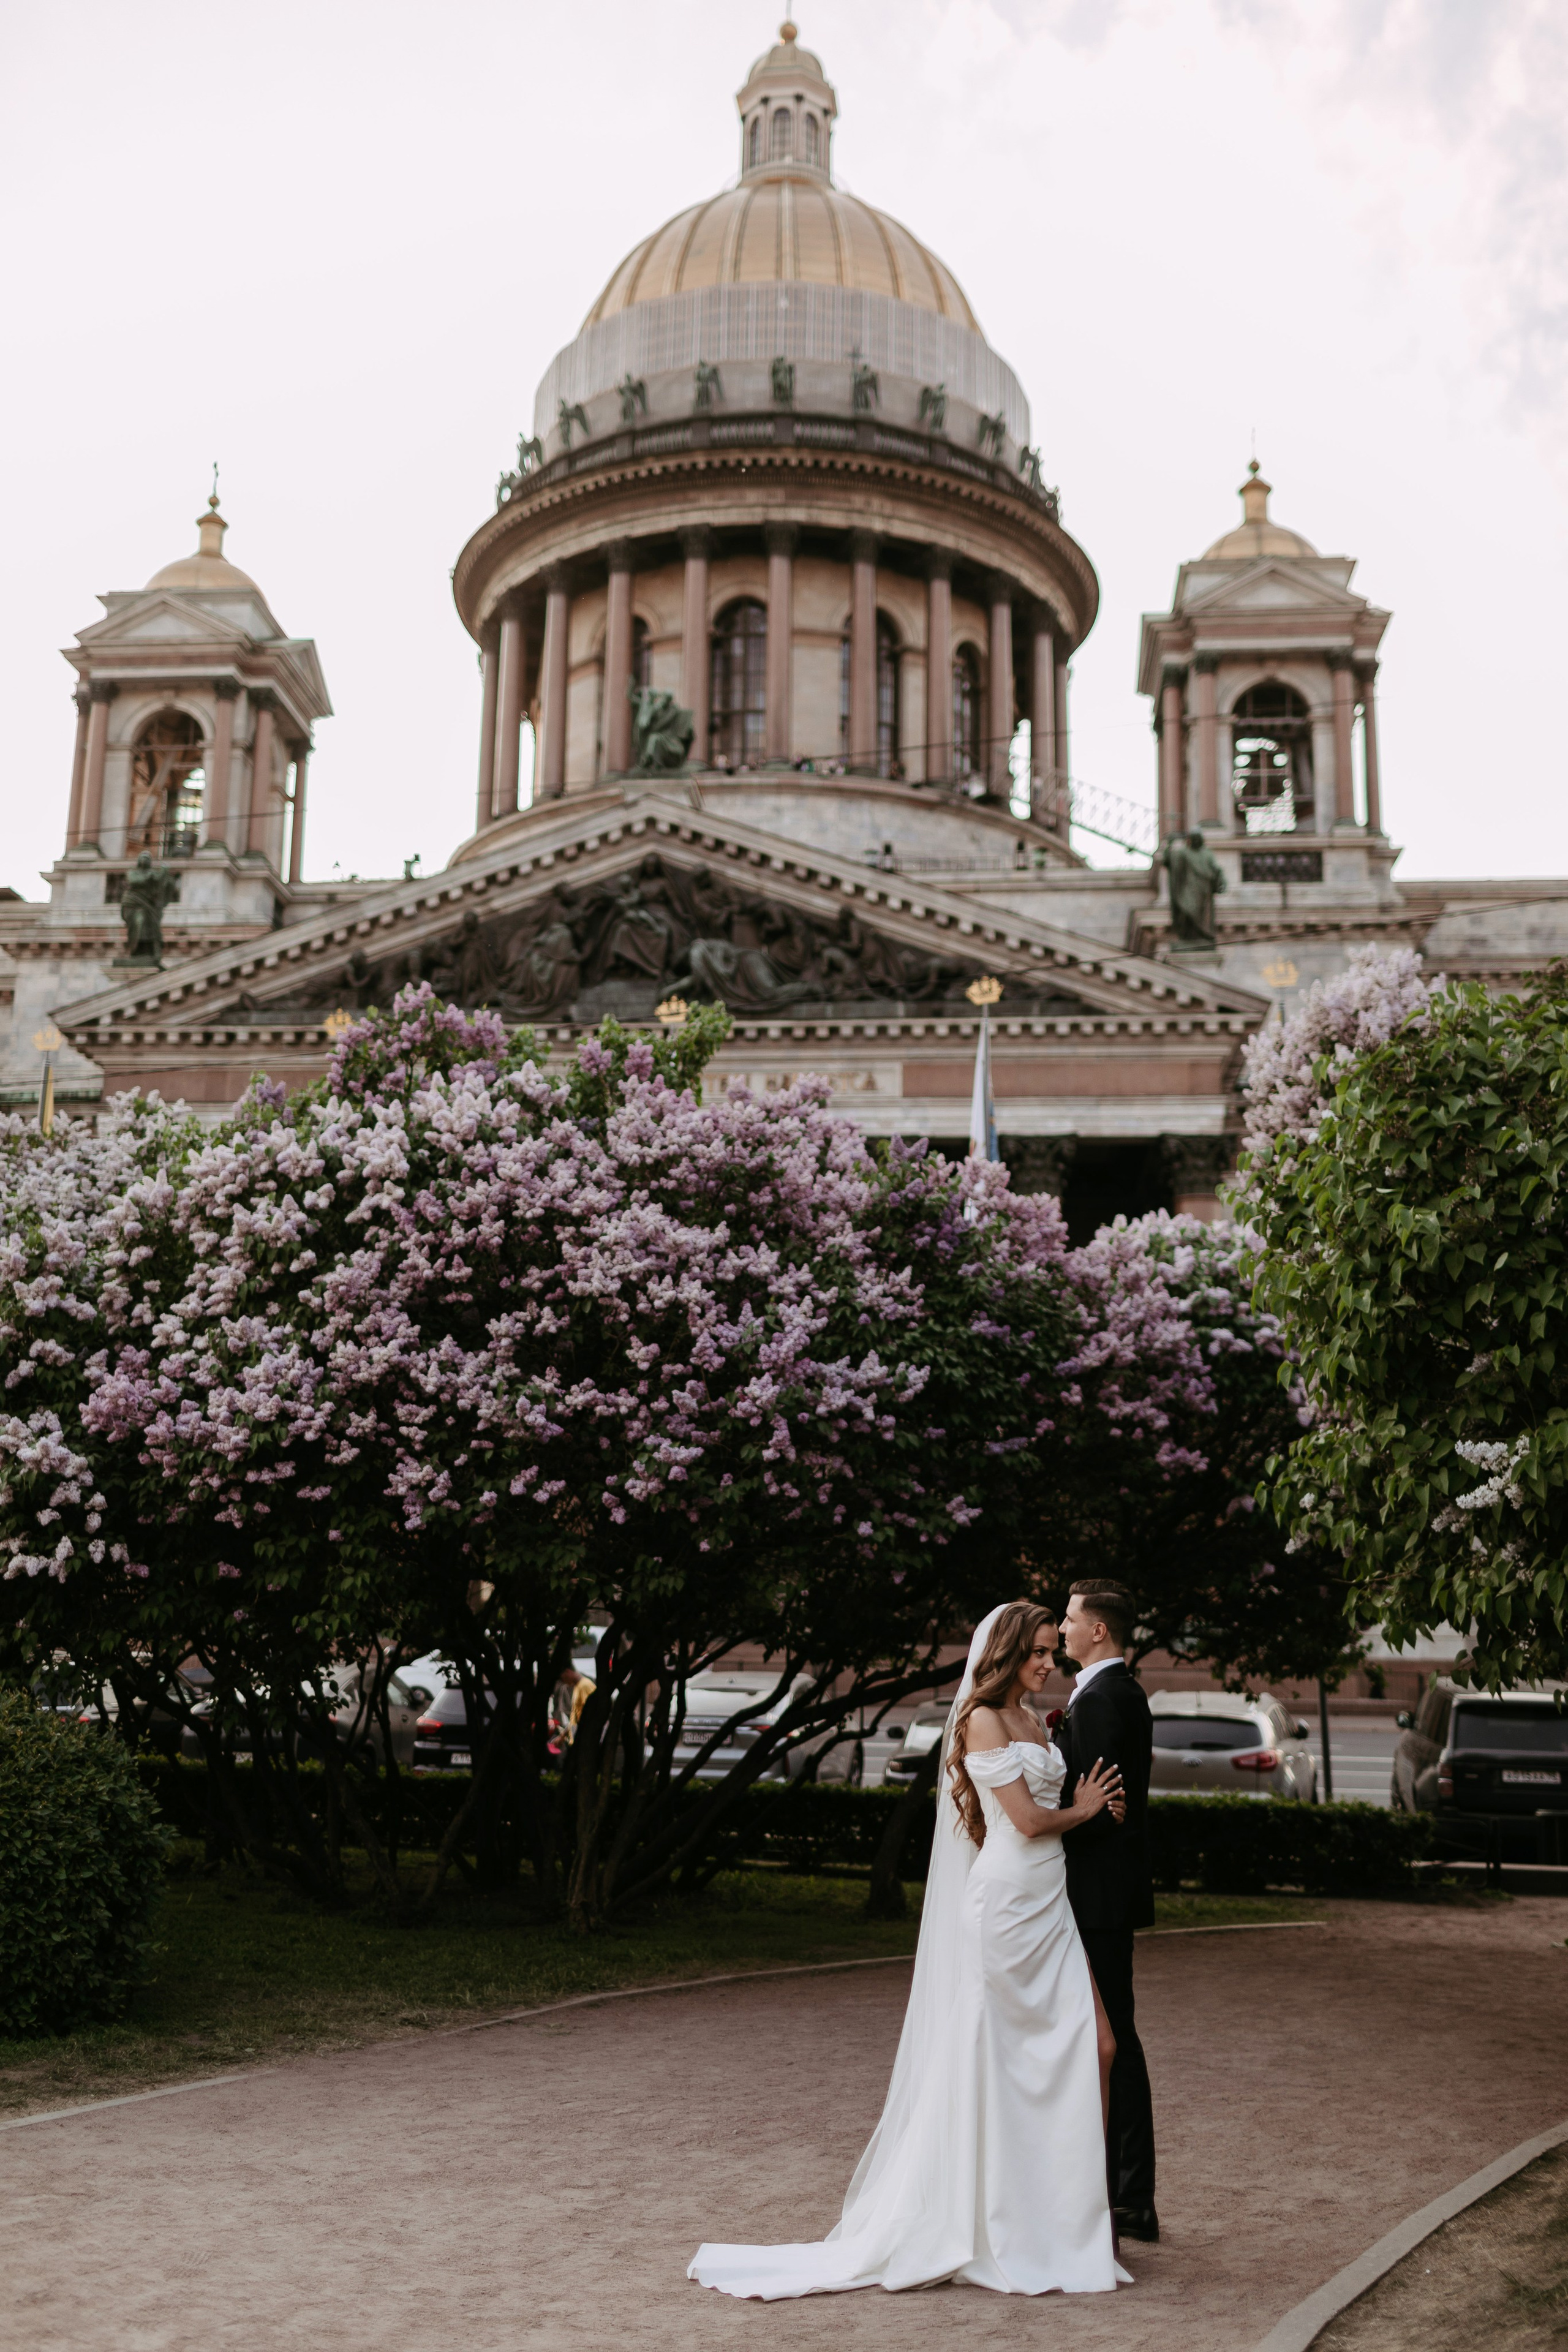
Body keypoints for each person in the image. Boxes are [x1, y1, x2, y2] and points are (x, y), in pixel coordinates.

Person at [688, 1602, 1133, 2300]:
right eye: (1039, 1652)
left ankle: (1064, 2222)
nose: (1050, 1663)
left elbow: (1043, 1814)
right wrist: (1079, 1808)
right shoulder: (984, 1718)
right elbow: (1020, 1820)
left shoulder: (1034, 1719)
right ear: (1007, 1653)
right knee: (1000, 2059)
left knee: (1095, 2046)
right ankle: (1003, 2224)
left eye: (1053, 1651)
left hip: (1049, 1901)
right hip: (1010, 1908)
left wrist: (1089, 1807)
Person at [1057, 1580, 1158, 2244]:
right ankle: (1126, 2194)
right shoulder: (1109, 1692)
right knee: (1109, 2037)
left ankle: (1129, 2198)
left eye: (1069, 1619)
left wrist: (1051, 1817)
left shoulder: (1103, 1698)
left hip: (1094, 1894)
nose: (1061, 1629)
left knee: (1111, 2040)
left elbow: (1092, 1809)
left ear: (1098, 1631)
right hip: (1102, 1890)